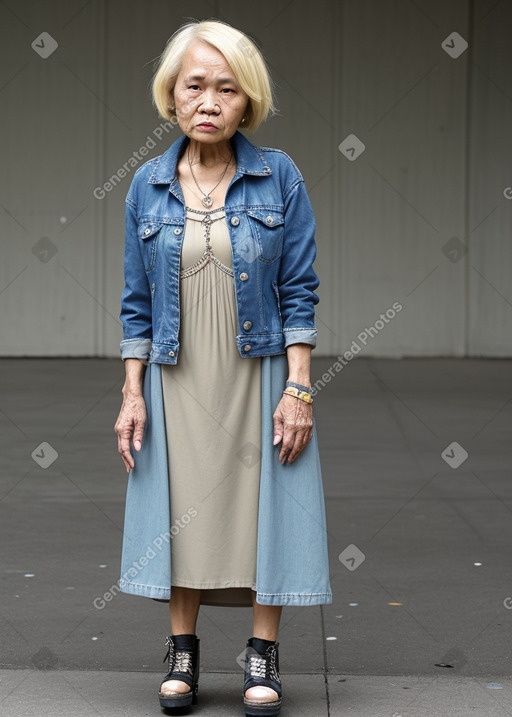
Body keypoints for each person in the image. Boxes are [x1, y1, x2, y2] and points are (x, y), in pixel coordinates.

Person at [114, 18, 332, 717]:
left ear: (249, 103)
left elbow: (299, 289)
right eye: (194, 86)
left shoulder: (280, 177)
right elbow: (135, 304)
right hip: (177, 376)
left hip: (259, 369)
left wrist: (299, 387)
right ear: (171, 97)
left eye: (226, 89)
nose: (208, 101)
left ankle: (262, 654)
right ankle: (183, 651)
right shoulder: (145, 187)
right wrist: (131, 393)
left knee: (265, 506)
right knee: (185, 506)